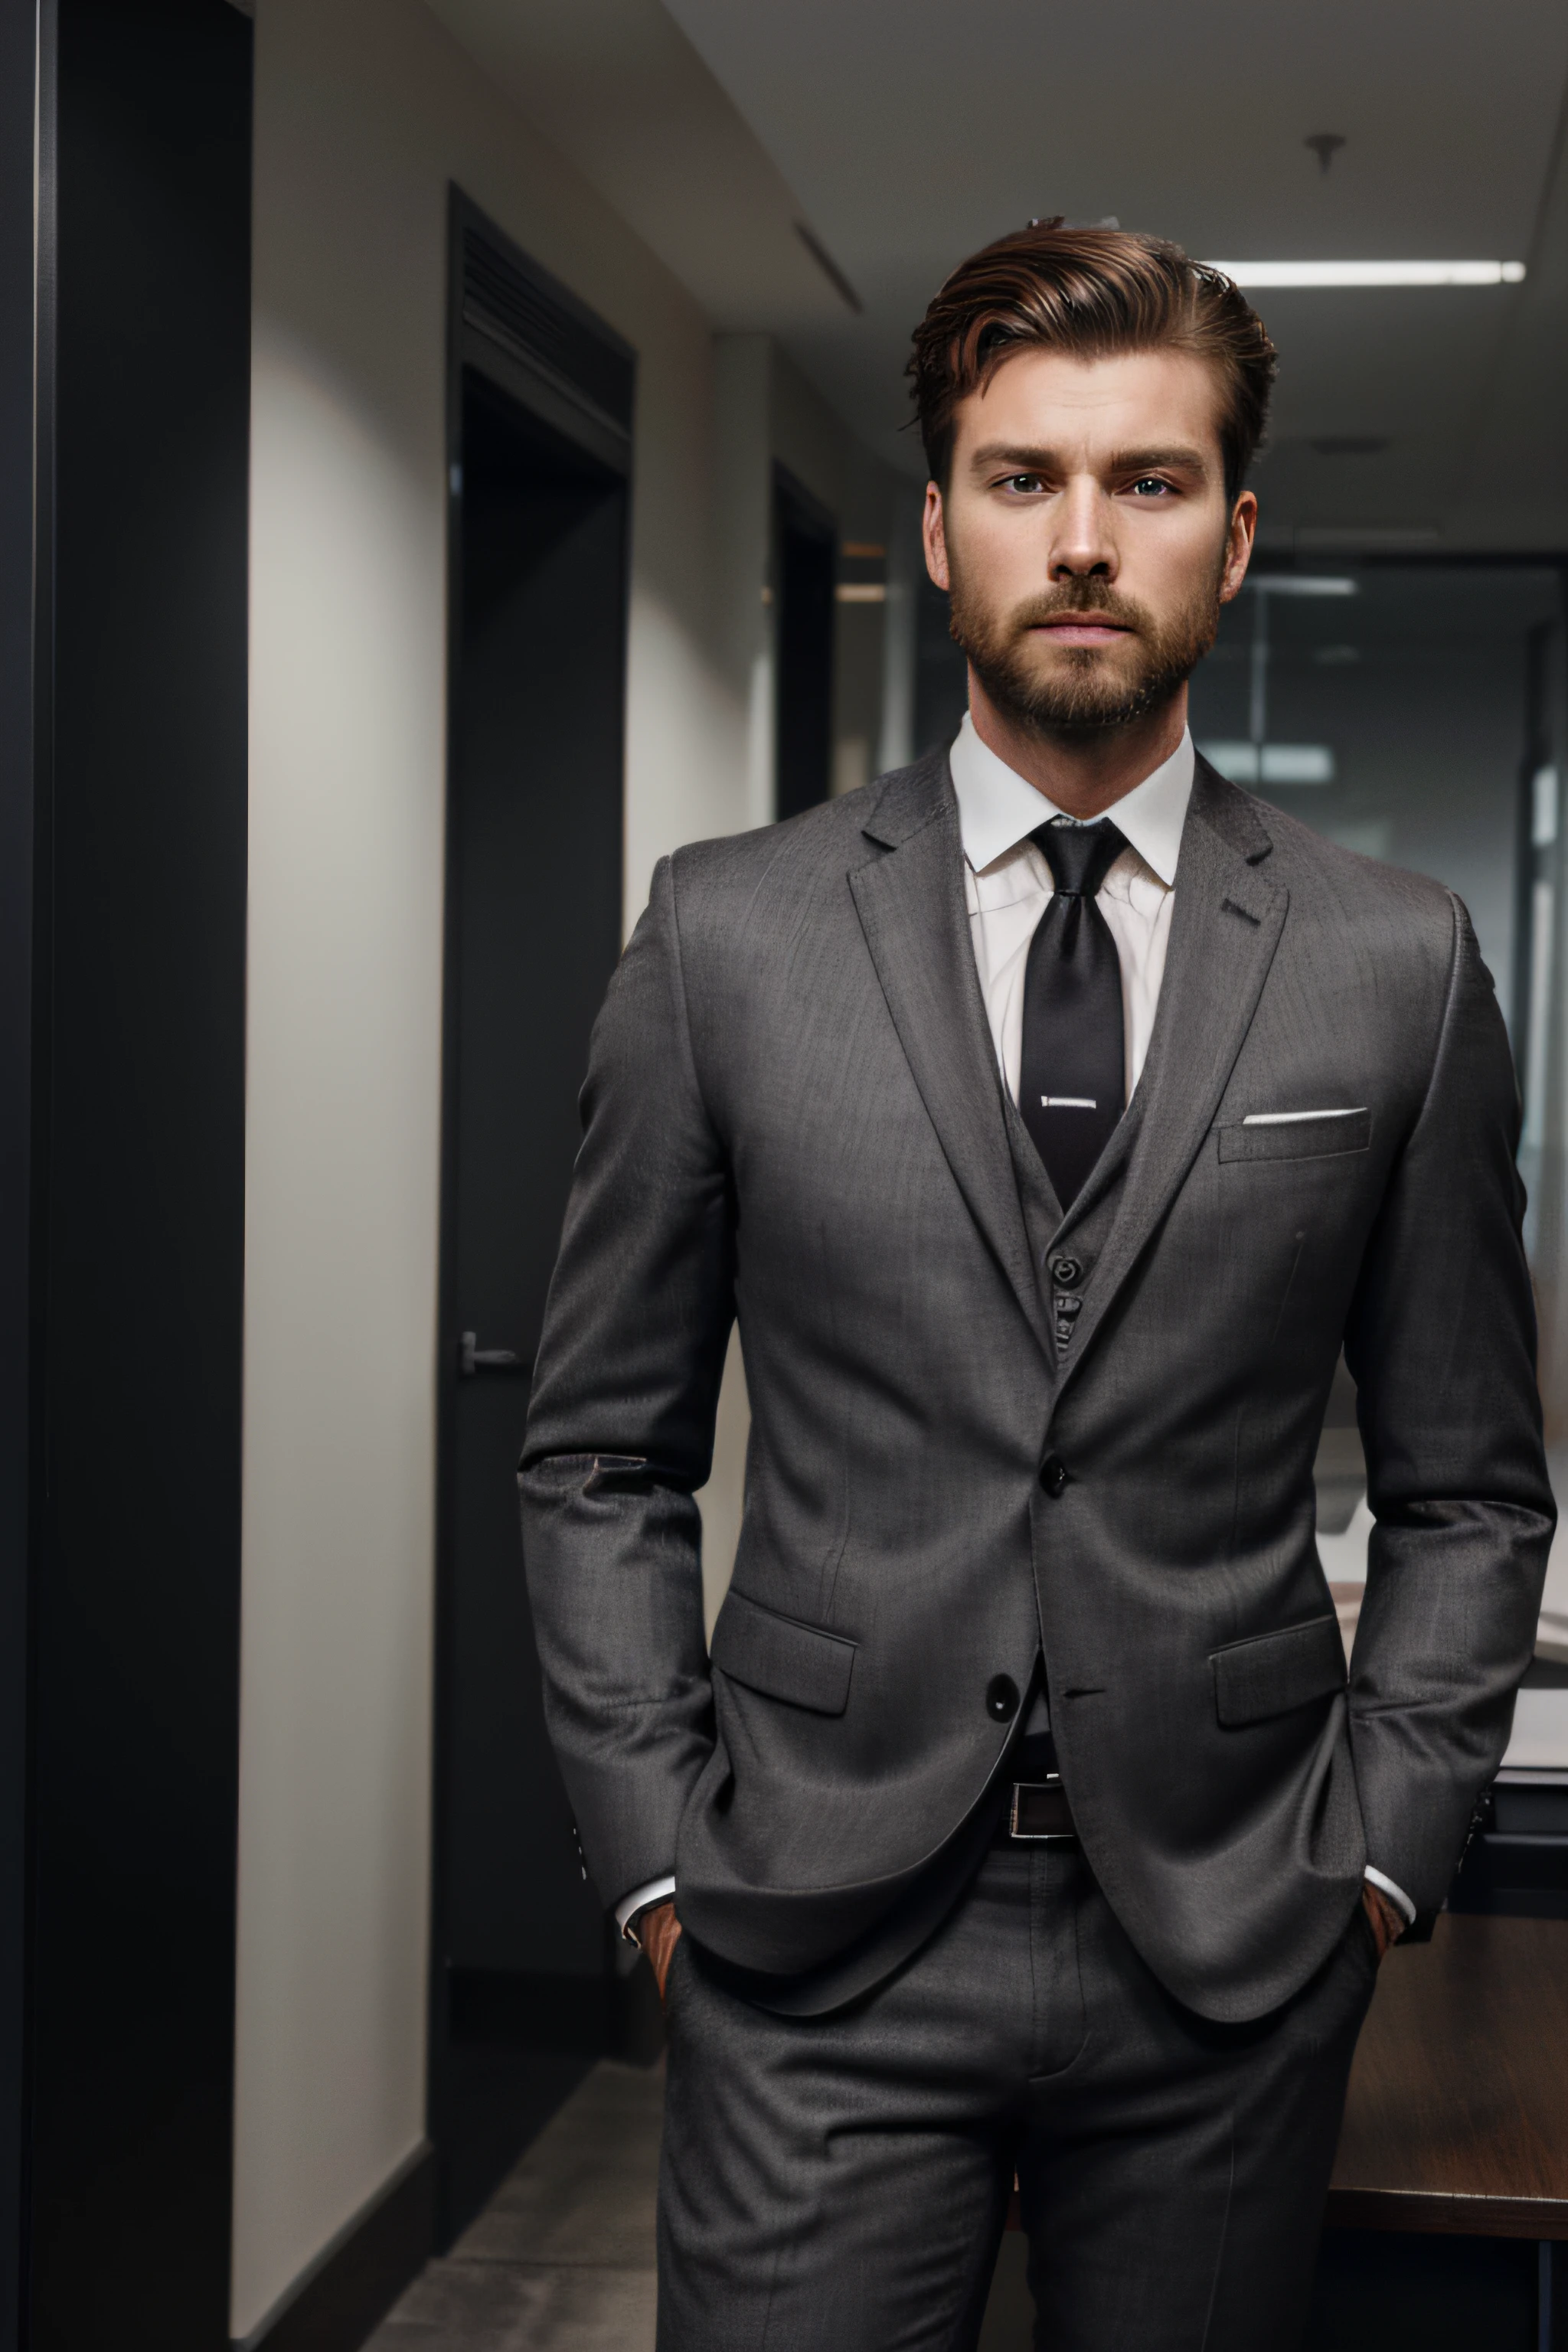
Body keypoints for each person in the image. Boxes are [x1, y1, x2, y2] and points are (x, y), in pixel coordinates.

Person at [518, 223, 1553, 2350]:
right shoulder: (725, 939)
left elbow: (1471, 1487)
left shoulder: (1395, 967)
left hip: (1232, 1933)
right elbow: (601, 1445)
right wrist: (655, 1862)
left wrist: (1378, 1867)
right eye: (1023, 480)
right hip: (806, 1934)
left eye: (1149, 484)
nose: (1084, 543)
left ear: (1236, 536)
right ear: (941, 520)